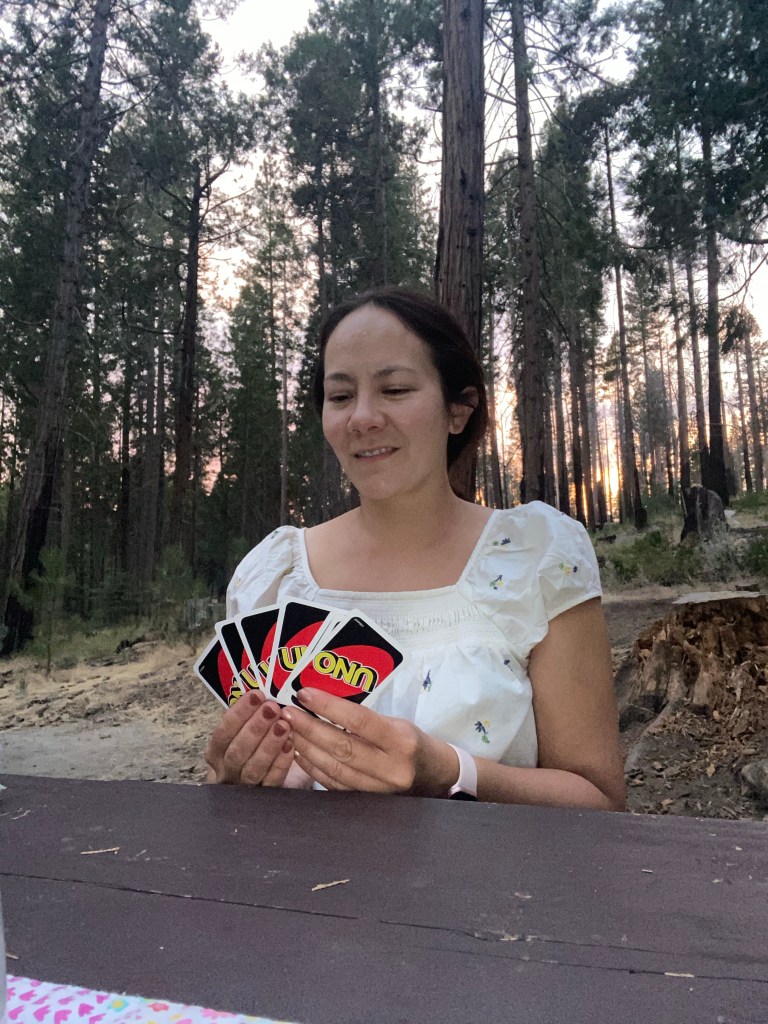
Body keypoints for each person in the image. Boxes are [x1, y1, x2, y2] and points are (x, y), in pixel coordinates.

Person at [205, 287, 626, 809]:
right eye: (340, 396)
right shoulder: (273, 576)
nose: (362, 417)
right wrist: (234, 782)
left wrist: (449, 772)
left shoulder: (536, 558)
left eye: (395, 389)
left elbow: (600, 801)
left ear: (459, 410)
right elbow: (244, 801)